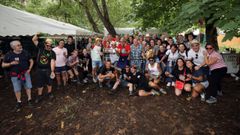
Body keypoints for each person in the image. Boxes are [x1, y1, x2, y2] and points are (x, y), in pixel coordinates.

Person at [2, 40, 34, 111]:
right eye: (18, 45)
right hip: (15, 75)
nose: (20, 46)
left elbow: (31, 60)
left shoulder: (25, 52)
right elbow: (3, 65)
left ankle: (29, 100)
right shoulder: (9, 55)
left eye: (20, 44)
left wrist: (29, 69)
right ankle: (19, 102)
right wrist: (11, 64)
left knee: (28, 87)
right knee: (17, 89)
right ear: (13, 47)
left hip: (25, 73)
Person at [32, 34, 56, 103]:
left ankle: (49, 93)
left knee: (49, 82)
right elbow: (34, 39)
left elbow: (52, 62)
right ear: (45, 44)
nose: (49, 46)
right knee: (40, 83)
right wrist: (37, 34)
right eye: (48, 45)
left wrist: (52, 71)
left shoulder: (52, 53)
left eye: (51, 45)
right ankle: (39, 95)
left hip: (48, 70)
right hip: (39, 70)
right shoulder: (41, 47)